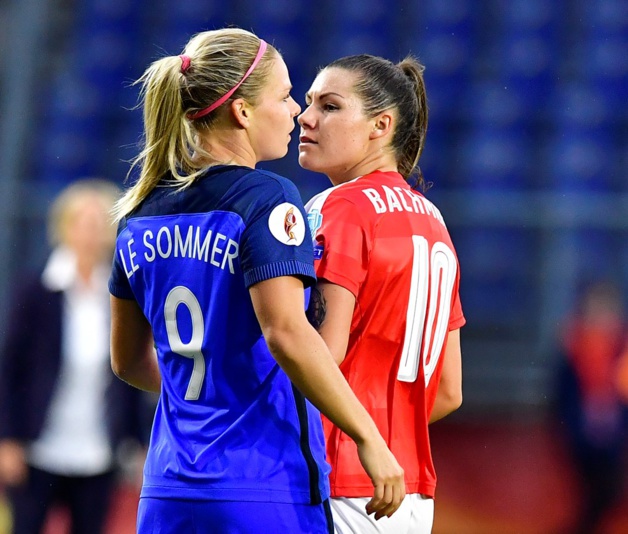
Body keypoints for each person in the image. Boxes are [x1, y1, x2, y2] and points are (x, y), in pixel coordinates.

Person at [108, 28, 405, 534]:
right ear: (242, 112)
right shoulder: (266, 198)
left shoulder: (138, 214)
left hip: (167, 490)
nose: (295, 111)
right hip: (262, 486)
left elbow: (127, 361)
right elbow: (286, 331)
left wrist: (205, 394)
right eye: (285, 96)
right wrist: (369, 438)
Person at [298, 54, 465, 533]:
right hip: (409, 491)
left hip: (335, 478)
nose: (306, 118)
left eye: (329, 106)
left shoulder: (338, 208)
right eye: (309, 103)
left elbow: (320, 354)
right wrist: (384, 435)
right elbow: (449, 391)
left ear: (381, 125)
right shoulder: (434, 221)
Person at [0, 178, 146, 534]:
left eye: (99, 224)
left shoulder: (118, 293)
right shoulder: (36, 290)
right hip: (39, 448)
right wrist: (7, 439)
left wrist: (138, 442)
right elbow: (10, 369)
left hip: (97, 452)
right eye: (83, 222)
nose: (91, 233)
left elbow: (128, 372)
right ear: (63, 227)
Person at [554, 280, 628, 534]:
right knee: (599, 495)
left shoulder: (619, 350)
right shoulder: (573, 348)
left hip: (613, 438)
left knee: (607, 496)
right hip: (583, 440)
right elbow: (563, 401)